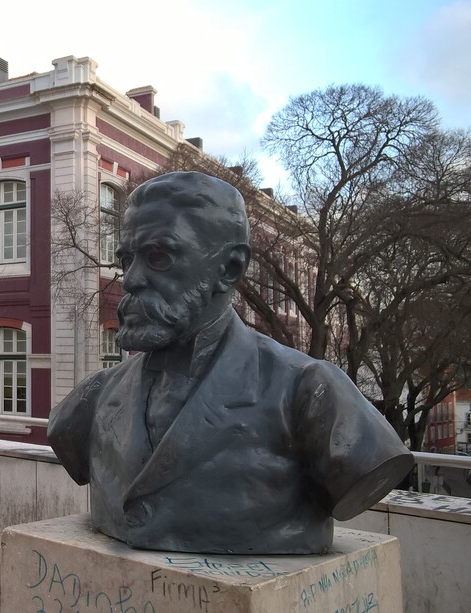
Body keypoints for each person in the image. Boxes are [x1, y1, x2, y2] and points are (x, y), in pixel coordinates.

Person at [47, 172, 413, 555]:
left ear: (230, 268)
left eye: (159, 257)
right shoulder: (93, 398)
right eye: (127, 259)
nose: (132, 279)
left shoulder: (311, 393)